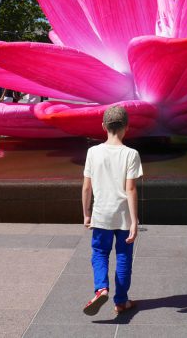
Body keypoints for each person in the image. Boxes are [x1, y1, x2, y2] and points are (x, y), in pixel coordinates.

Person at [82, 105, 142, 316]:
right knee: (124, 256)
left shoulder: (93, 152)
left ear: (103, 126)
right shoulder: (131, 154)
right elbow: (131, 189)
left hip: (101, 214)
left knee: (99, 252)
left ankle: (101, 288)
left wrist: (86, 213)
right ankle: (121, 301)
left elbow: (87, 187)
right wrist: (134, 221)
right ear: (127, 127)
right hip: (123, 215)